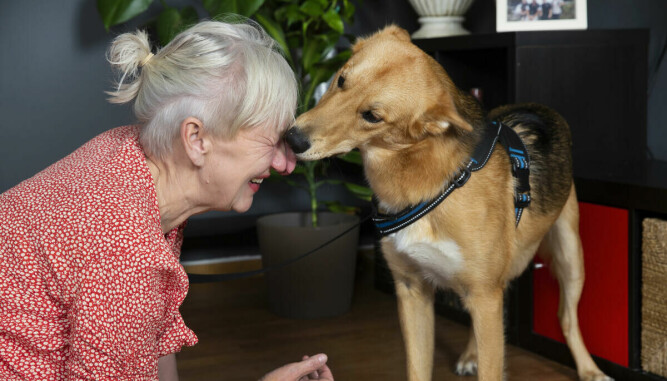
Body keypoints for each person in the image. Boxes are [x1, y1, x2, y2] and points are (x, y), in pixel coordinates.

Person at [0, 20, 334, 380]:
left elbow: (151, 342)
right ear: (195, 139)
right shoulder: (124, 244)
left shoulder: (128, 162)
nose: (285, 164)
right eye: (271, 142)